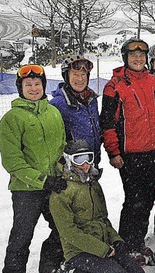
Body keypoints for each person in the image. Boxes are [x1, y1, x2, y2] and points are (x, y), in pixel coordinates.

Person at [99, 38, 155, 263]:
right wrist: (113, 152)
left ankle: (138, 242)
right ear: (125, 57)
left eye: (142, 55)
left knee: (147, 200)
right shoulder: (115, 85)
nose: (138, 59)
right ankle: (126, 244)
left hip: (154, 152)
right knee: (133, 201)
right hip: (130, 154)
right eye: (133, 55)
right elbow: (107, 122)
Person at [0, 64, 67, 273]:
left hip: (53, 185)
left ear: (43, 86)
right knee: (22, 236)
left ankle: (49, 267)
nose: (33, 88)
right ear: (20, 88)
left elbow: (61, 146)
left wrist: (61, 170)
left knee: (61, 230)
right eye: (28, 84)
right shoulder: (12, 118)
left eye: (37, 84)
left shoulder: (54, 113)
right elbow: (12, 161)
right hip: (26, 190)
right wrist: (42, 180)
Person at [49, 140, 144, 273]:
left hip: (103, 244)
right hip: (78, 251)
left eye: (88, 158)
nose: (85, 164)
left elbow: (103, 219)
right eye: (79, 159)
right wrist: (102, 249)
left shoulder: (93, 185)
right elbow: (69, 232)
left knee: (136, 270)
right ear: (69, 161)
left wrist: (115, 239)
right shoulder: (61, 192)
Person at [50, 56, 101, 167]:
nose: (80, 79)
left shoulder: (91, 100)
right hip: (73, 165)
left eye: (83, 75)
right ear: (66, 77)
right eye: (75, 75)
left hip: (91, 161)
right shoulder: (57, 104)